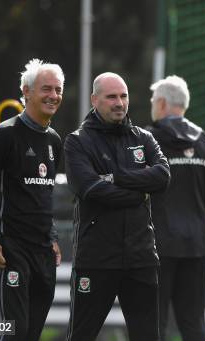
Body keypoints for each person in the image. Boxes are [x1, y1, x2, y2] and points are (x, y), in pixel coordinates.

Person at [64, 72, 170, 341]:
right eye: (111, 96)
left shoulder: (144, 137)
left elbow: (163, 176)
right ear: (94, 99)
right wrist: (138, 194)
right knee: (81, 335)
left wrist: (116, 178)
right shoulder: (77, 141)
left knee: (147, 336)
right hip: (95, 259)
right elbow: (91, 189)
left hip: (141, 257)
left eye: (123, 96)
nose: (119, 102)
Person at [0, 58, 64, 340]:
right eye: (46, 88)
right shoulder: (5, 135)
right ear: (27, 91)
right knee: (8, 334)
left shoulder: (55, 140)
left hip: (43, 254)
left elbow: (42, 195)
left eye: (57, 90)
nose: (53, 95)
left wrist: (52, 236)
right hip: (8, 252)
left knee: (31, 334)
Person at [148, 75, 205, 341]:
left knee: (151, 324)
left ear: (161, 103)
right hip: (196, 245)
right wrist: (199, 223)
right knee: (193, 324)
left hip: (154, 247)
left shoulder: (145, 141)